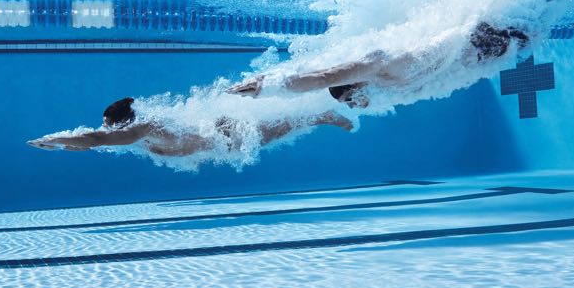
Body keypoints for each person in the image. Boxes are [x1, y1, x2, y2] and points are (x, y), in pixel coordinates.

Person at [226, 21, 530, 106]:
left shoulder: (377, 67)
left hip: (484, 39)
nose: (354, 104)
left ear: (354, 83)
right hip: (481, 45)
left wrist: (268, 86)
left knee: (538, 17)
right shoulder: (382, 81)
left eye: (349, 99)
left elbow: (323, 77)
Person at [29, 97, 354, 157]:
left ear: (122, 124)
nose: (107, 130)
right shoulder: (138, 133)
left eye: (109, 126)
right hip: (219, 138)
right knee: (279, 130)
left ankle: (322, 114)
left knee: (281, 129)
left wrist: (56, 140)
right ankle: (318, 115)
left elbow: (96, 139)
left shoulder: (141, 129)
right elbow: (93, 140)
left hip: (227, 134)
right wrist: (61, 145)